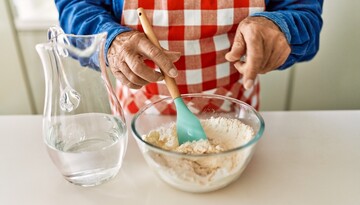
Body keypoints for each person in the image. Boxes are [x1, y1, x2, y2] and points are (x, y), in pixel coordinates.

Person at [55, 0, 323, 113]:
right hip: (137, 116)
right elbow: (77, 6)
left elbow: (303, 12)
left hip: (237, 114)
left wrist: (281, 27)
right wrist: (112, 41)